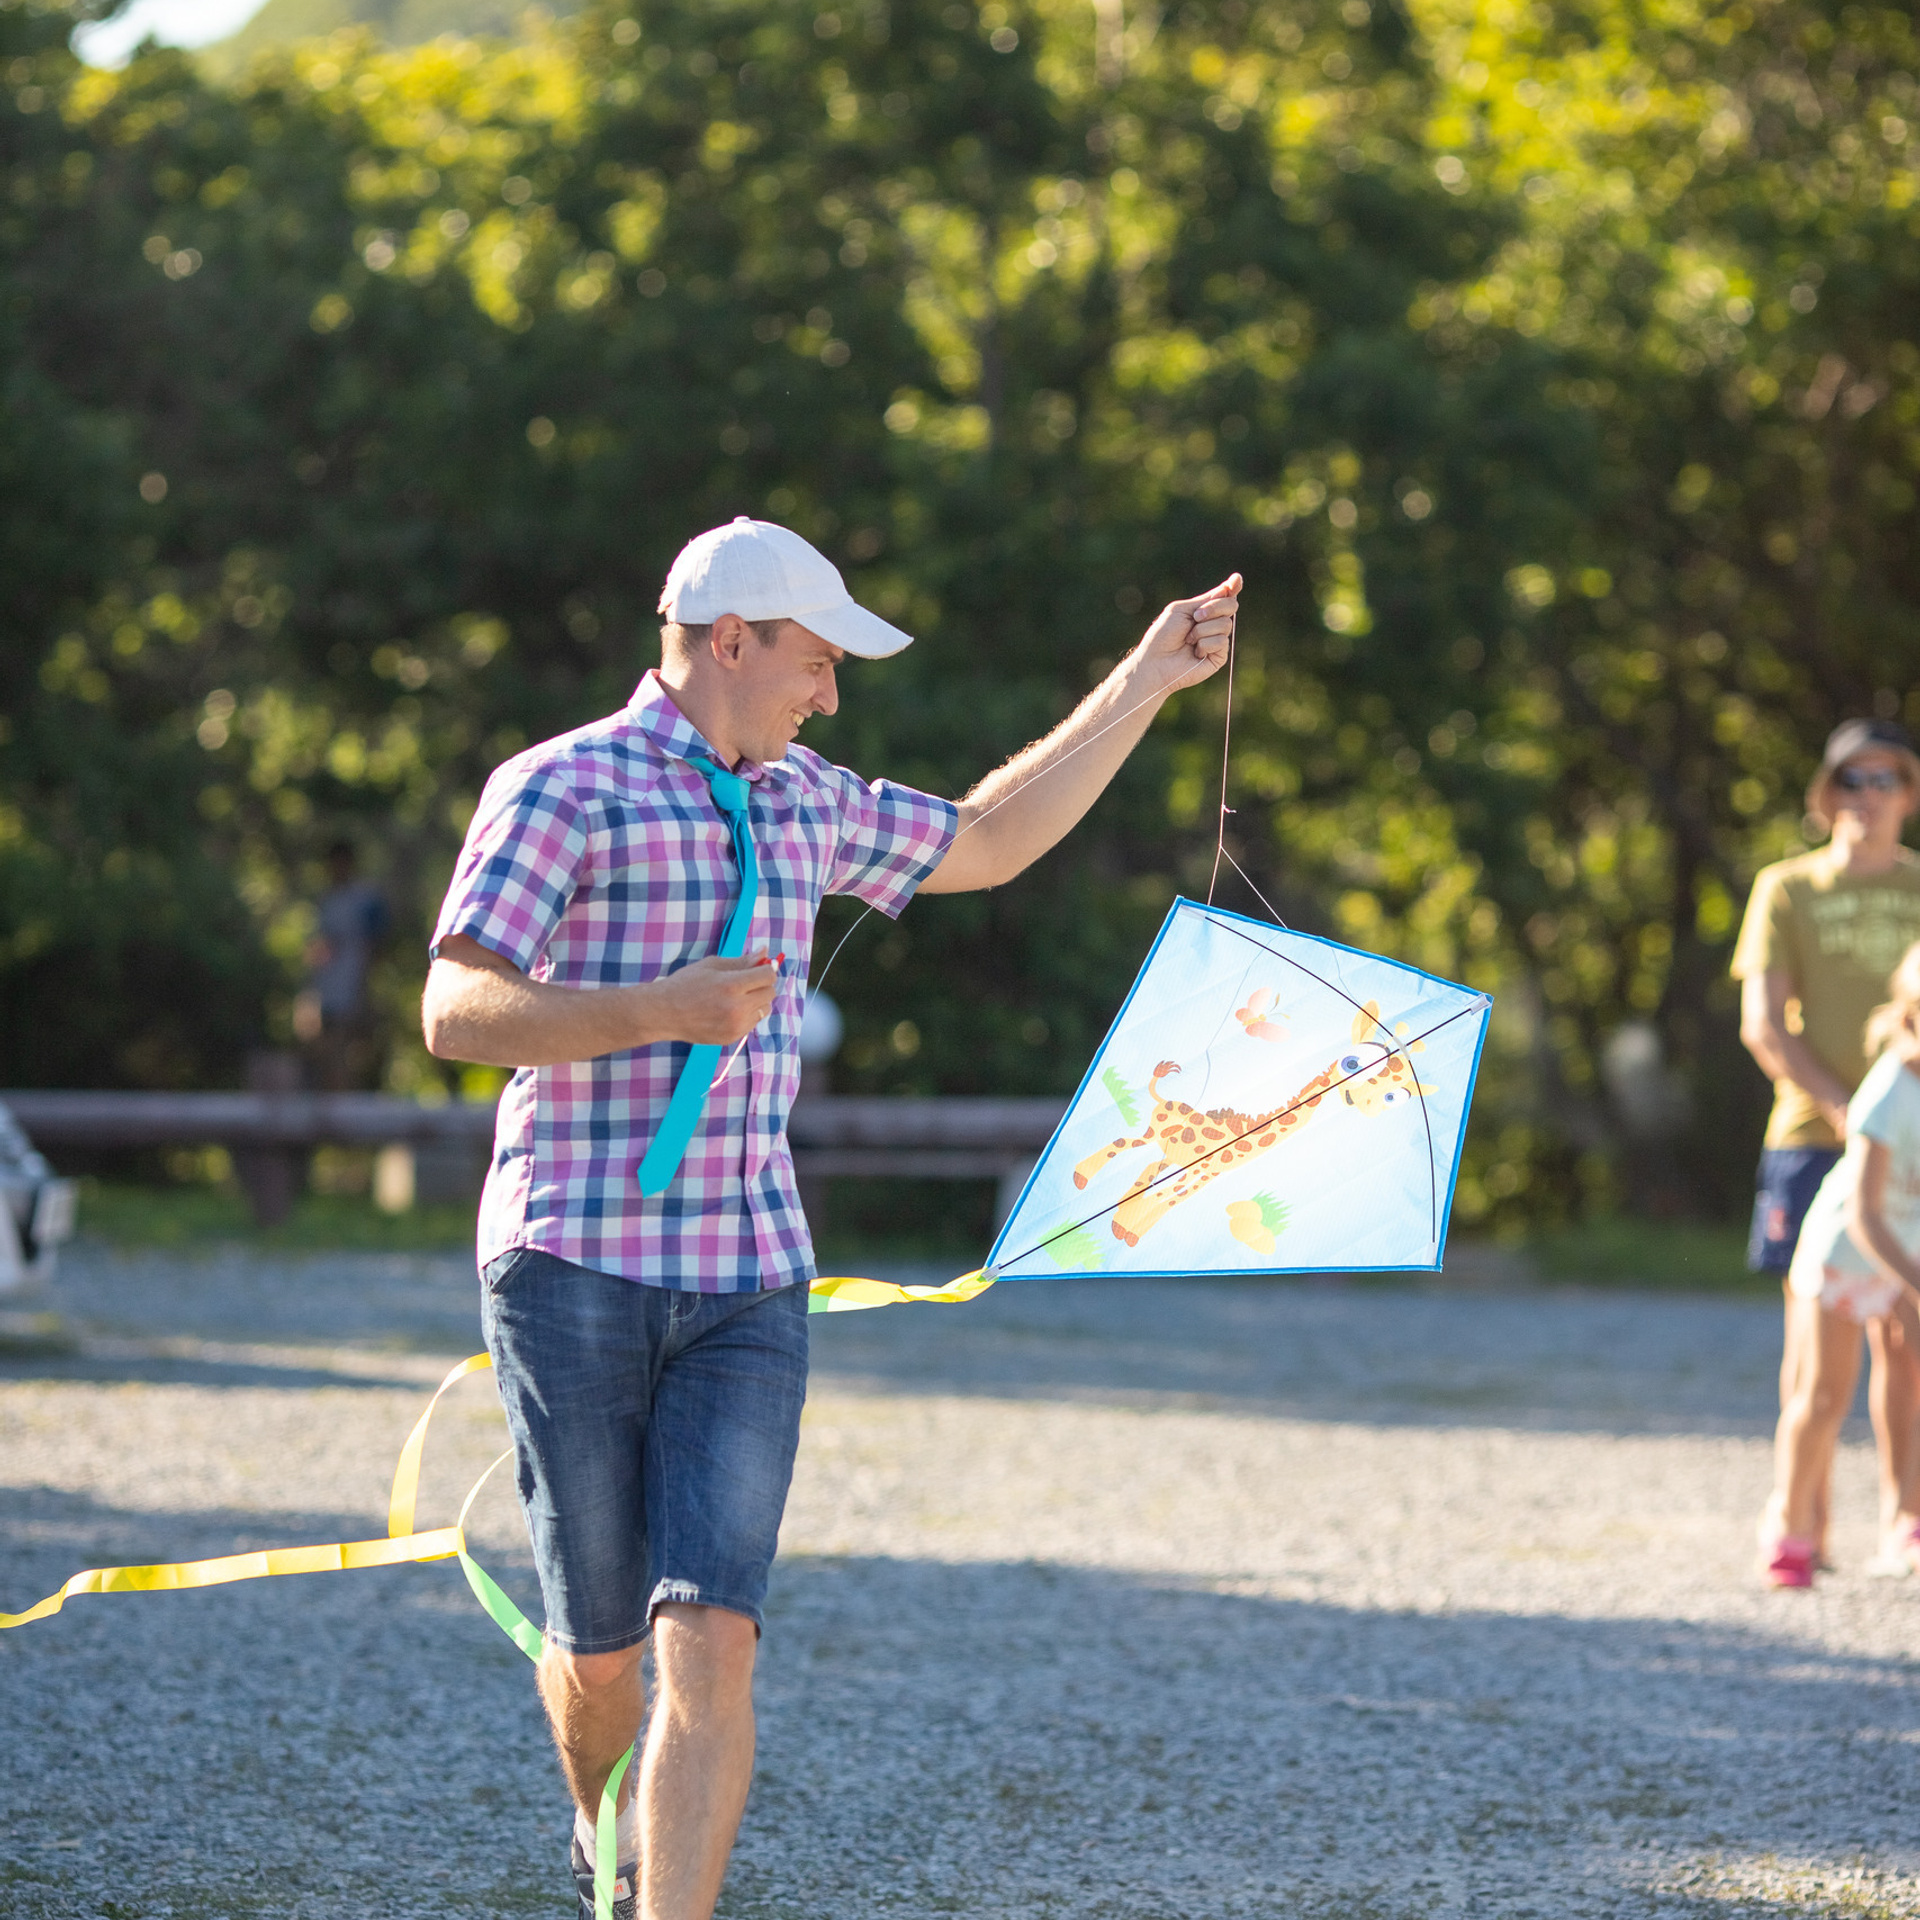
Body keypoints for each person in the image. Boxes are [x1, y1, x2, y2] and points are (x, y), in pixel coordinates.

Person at [420, 515, 1239, 1920]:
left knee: (714, 1639)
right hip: (570, 1265)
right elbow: (452, 1012)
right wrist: (656, 1012)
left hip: (751, 1274)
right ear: (726, 643)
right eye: (815, 660)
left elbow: (987, 837)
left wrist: (1146, 680)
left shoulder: (809, 796)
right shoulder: (560, 788)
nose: (832, 694)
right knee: (603, 1647)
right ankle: (597, 1812)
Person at [1733, 718, 1920, 1575]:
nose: (1868, 796)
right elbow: (1764, 1025)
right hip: (1815, 1136)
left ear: (1908, 798)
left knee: (1908, 1337)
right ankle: (1799, 1521)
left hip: (1912, 1144)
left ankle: (1905, 1521)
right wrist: (1846, 1106)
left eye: (1886, 780)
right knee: (1818, 1353)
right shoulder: (1787, 888)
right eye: (1852, 779)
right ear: (1825, 796)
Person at [1763, 940, 1920, 1586]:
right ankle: (1790, 1525)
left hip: (1905, 1253)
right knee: (1824, 1395)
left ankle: (1906, 1522)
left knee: (1909, 1382)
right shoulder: (1889, 1087)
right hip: (1849, 1252)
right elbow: (1863, 1211)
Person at [296, 839, 391, 1091]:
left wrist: (367, 983)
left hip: (355, 985)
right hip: (327, 988)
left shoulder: (365, 898)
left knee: (352, 1052)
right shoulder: (327, 899)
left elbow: (378, 942)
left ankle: (349, 1108)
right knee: (325, 1049)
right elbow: (321, 945)